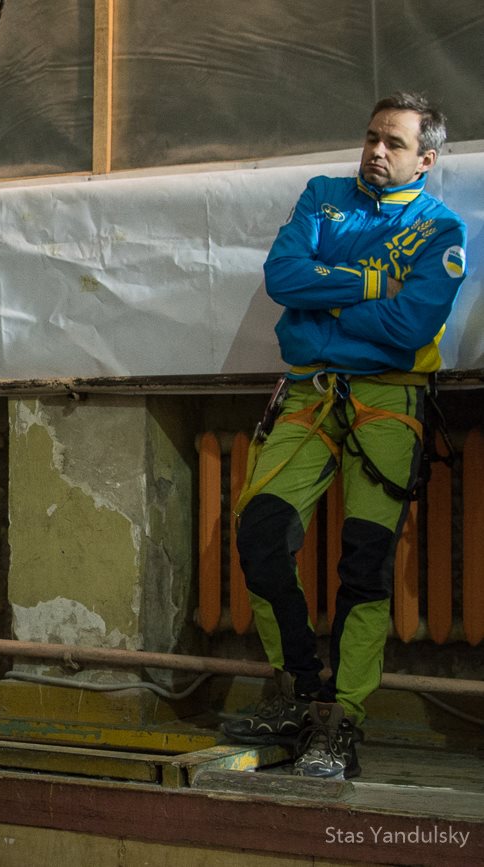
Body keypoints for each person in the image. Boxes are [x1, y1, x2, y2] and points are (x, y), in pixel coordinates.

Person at [222, 92, 468, 779]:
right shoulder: (323, 195)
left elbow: (410, 329)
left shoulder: (441, 230)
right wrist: (370, 283)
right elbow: (283, 279)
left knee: (365, 568)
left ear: (426, 158)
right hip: (310, 395)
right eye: (370, 138)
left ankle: (346, 717)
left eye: (393, 143)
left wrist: (322, 311)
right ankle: (299, 684)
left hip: (390, 402)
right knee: (261, 534)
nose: (376, 152)